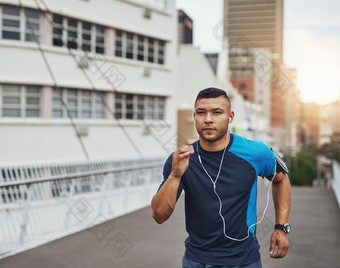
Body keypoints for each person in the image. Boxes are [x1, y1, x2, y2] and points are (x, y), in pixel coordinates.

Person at [151, 87, 291, 268]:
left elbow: (281, 178)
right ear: (194, 117)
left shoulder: (255, 152)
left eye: (216, 112)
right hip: (196, 260)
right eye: (201, 113)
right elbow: (159, 215)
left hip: (243, 259)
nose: (208, 119)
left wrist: (281, 227)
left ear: (230, 117)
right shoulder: (181, 159)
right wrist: (175, 175)